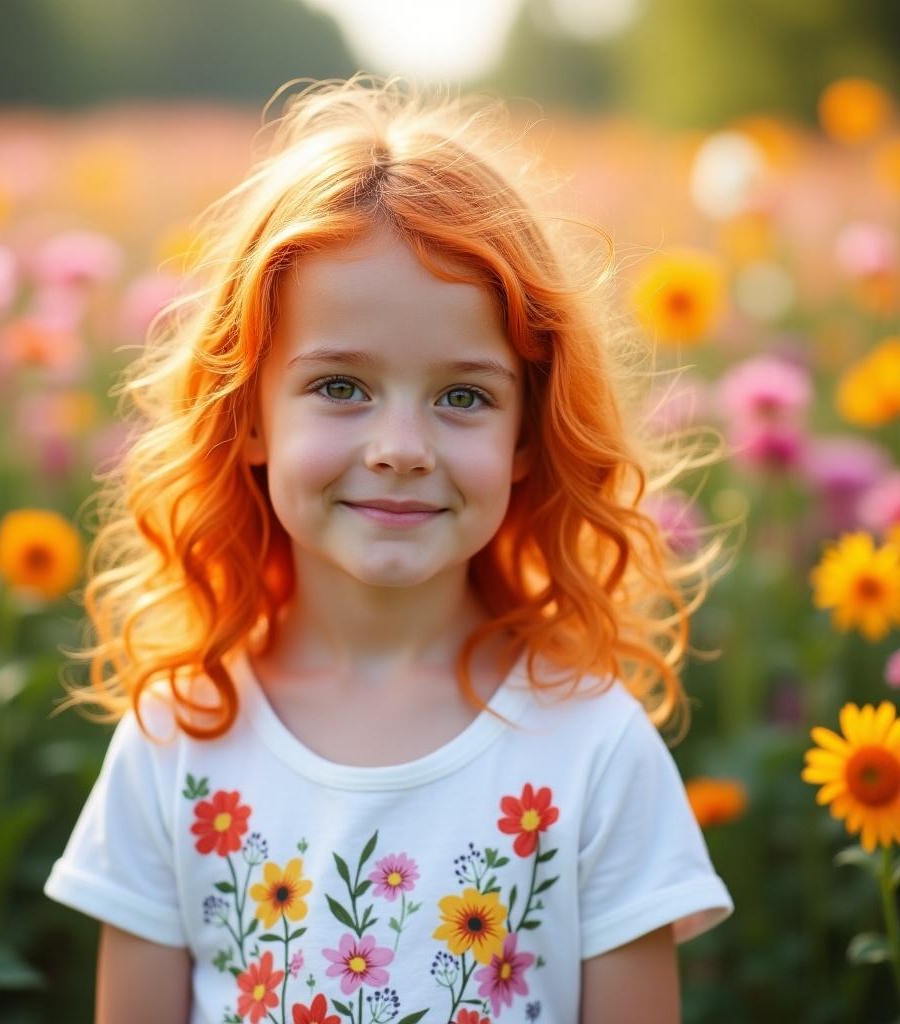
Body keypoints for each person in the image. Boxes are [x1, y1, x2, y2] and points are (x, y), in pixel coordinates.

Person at [44, 75, 737, 1024]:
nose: (401, 448)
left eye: (463, 396)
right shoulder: (178, 739)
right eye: (340, 387)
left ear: (529, 437)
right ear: (247, 415)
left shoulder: (595, 750)